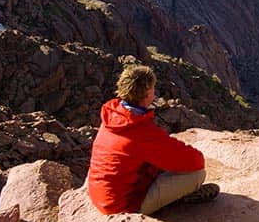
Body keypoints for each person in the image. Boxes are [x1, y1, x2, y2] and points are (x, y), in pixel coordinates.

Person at [87, 64, 218, 214]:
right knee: (197, 174)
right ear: (148, 93)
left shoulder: (113, 116)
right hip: (123, 205)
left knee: (160, 165)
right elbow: (195, 161)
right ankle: (174, 200)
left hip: (101, 195)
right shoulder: (140, 132)